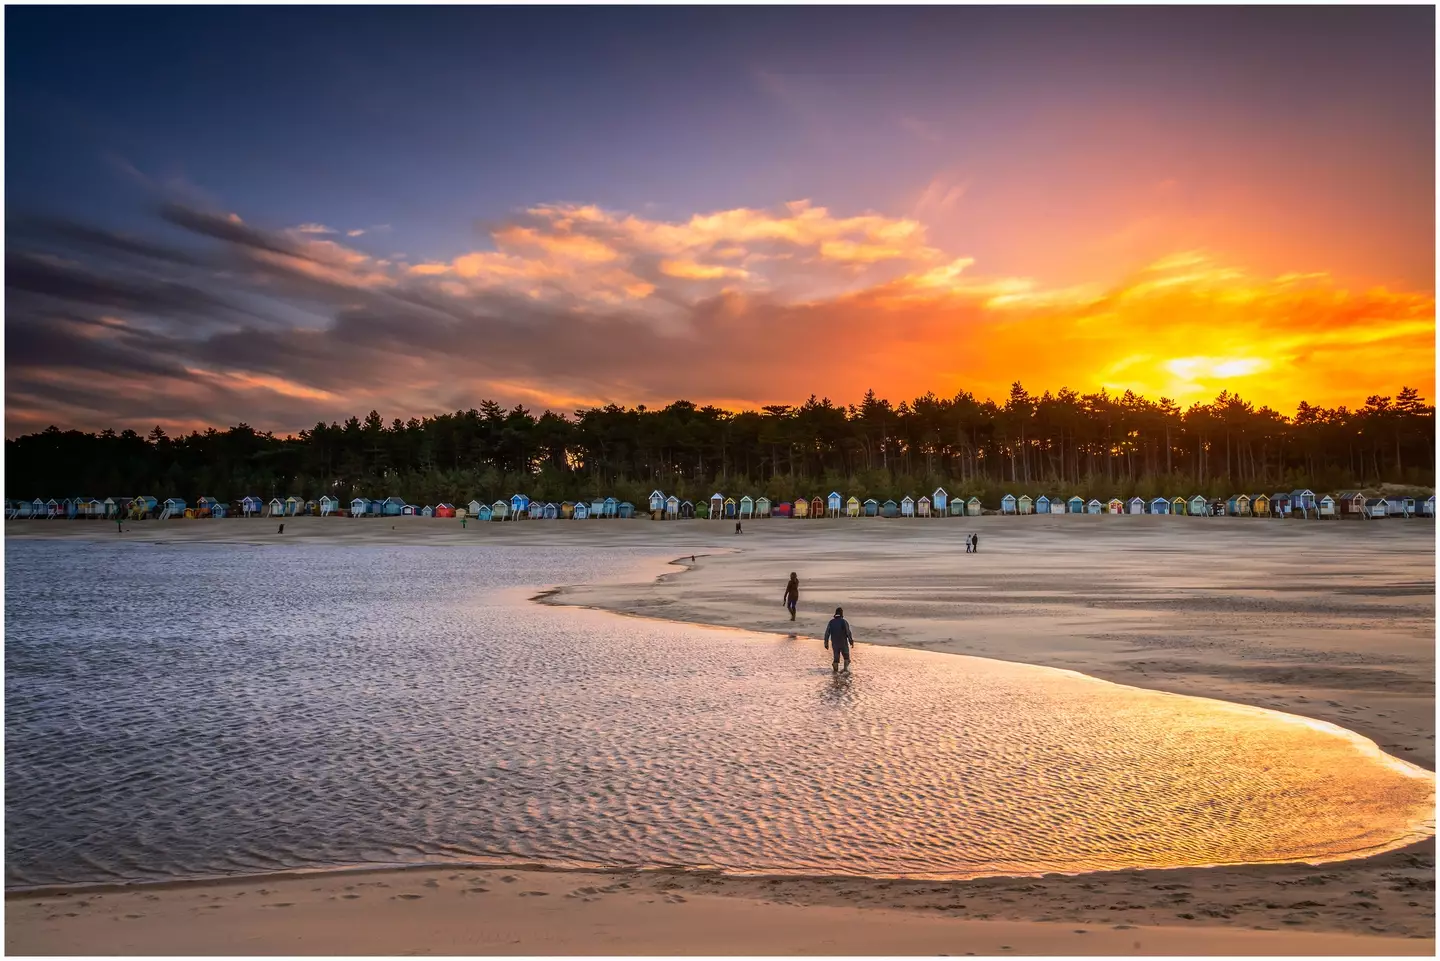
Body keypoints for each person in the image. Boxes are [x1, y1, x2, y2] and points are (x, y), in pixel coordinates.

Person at [823, 606, 854, 672]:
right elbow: (848, 632)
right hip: (843, 643)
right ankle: (845, 670)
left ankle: (835, 672)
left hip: (835, 643)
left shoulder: (831, 622)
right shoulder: (844, 622)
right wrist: (851, 641)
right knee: (846, 657)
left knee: (836, 659)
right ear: (842, 614)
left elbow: (827, 634)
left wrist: (826, 643)